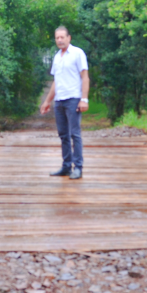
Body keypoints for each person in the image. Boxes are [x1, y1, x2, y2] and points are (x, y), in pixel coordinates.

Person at [39, 26, 89, 179]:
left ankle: (78, 167)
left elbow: (85, 77)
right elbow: (56, 81)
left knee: (75, 134)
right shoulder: (57, 57)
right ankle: (66, 166)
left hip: (73, 98)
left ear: (69, 38)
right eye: (57, 38)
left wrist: (84, 99)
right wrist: (47, 101)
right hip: (59, 101)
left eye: (62, 37)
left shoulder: (77, 53)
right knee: (63, 135)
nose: (59, 40)